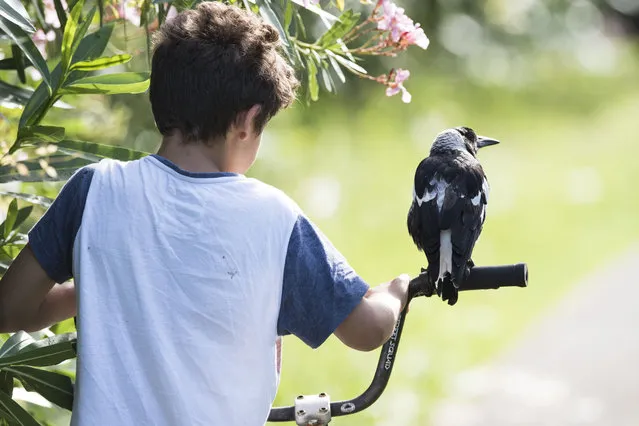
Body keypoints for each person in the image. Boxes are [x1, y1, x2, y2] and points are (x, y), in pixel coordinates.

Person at [0, 2, 410, 425]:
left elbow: (10, 309)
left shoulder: (95, 189)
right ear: (248, 122)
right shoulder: (273, 220)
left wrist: (102, 287)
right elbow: (366, 330)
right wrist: (396, 292)